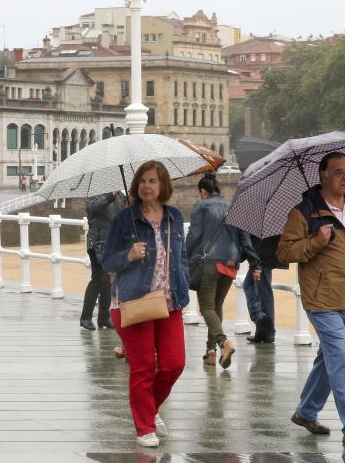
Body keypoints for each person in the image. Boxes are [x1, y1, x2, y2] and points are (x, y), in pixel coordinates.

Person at [277, 151, 345, 447]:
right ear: (323, 175)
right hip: (322, 301)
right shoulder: (303, 212)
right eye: (338, 172)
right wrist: (316, 242)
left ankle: (306, 411)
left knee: (330, 358)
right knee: (340, 359)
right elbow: (284, 252)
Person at [101, 160, 190, 448]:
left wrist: (183, 282)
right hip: (133, 300)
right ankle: (143, 428)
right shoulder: (125, 219)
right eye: (142, 181)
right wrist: (128, 255)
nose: (147, 186)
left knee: (174, 363)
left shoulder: (174, 216)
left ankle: (149, 408)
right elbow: (107, 260)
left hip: (169, 301)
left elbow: (182, 257)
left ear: (163, 184)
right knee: (142, 366)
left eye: (153, 181)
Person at [186, 172, 261, 369]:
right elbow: (245, 238)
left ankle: (223, 343)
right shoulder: (231, 207)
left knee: (206, 308)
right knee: (216, 306)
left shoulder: (201, 206)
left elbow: (193, 236)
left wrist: (183, 258)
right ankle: (210, 352)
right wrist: (254, 263)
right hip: (230, 263)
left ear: (203, 191)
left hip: (209, 262)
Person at [80, 191, 127, 330]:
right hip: (97, 243)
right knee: (98, 279)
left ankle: (104, 318)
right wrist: (109, 196)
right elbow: (93, 208)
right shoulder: (92, 193)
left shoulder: (119, 195)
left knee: (109, 281)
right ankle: (86, 317)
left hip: (113, 242)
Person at [243, 234, 288, 344]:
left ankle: (265, 327)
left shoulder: (263, 222)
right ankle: (263, 328)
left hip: (262, 256)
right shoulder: (275, 221)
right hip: (266, 254)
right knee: (250, 285)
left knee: (264, 292)